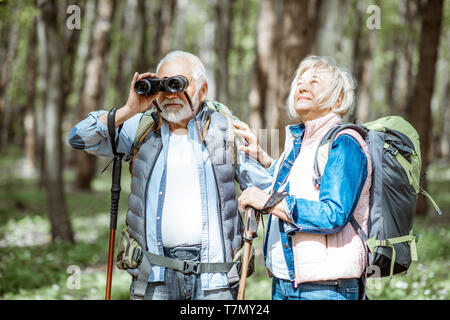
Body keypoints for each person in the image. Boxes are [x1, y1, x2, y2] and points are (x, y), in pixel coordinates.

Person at [68, 50, 272, 300]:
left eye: (179, 83)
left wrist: (265, 161)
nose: (171, 94)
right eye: (164, 85)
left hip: (215, 281)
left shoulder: (225, 130)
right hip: (154, 278)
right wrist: (129, 109)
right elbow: (78, 138)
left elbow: (267, 191)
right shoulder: (141, 128)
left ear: (203, 90)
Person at [236, 56, 372, 300]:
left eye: (315, 82)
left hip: (325, 288)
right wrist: (264, 159)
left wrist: (268, 202)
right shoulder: (301, 143)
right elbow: (298, 186)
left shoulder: (344, 142)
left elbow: (333, 214)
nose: (303, 86)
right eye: (300, 81)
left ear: (338, 99)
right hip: (285, 283)